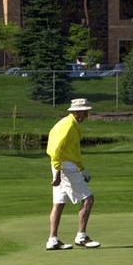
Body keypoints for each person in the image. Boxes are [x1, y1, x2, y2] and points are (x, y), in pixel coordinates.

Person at [45, 98, 100, 250]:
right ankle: (81, 237)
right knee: (88, 199)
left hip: (65, 164)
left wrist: (82, 168)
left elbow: (73, 151)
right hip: (64, 166)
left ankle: (53, 240)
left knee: (59, 202)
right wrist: (56, 172)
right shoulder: (68, 126)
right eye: (84, 112)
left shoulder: (71, 124)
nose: (87, 115)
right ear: (76, 112)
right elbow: (55, 149)